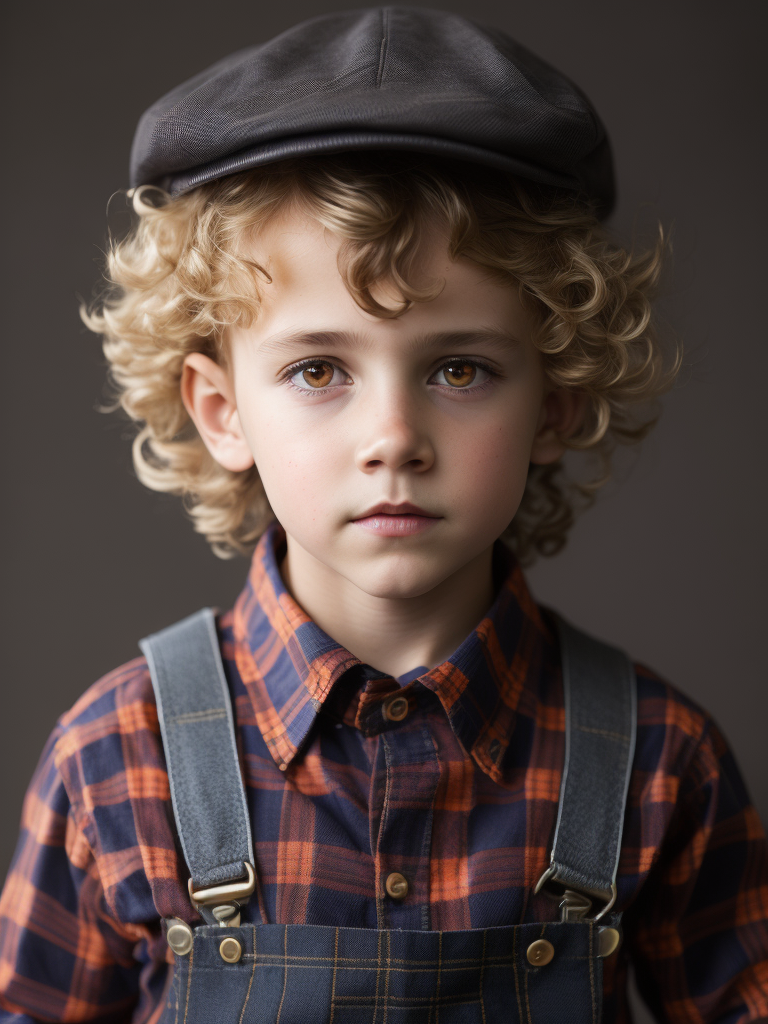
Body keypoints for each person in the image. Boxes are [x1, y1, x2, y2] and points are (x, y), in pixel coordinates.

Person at [0, 8, 766, 1022]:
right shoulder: (113, 758)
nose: (393, 435)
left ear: (559, 403)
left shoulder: (664, 764)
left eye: (461, 368)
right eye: (319, 368)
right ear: (223, 412)